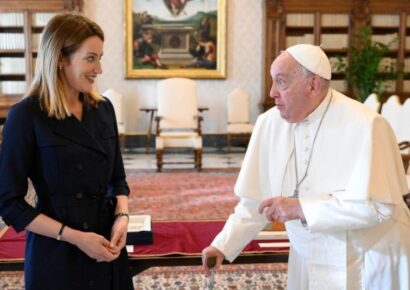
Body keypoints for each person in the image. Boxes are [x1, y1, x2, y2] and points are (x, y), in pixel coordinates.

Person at [202, 44, 410, 290]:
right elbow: (254, 201)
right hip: (308, 255)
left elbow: (379, 208)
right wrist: (222, 245)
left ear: (313, 85)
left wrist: (301, 208)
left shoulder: (367, 125)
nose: (272, 93)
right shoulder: (268, 124)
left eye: (281, 82)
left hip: (367, 258)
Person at [0, 13, 133, 290]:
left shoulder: (104, 108)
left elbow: (117, 179)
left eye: (100, 57)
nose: (99, 68)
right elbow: (9, 202)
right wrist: (75, 237)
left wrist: (121, 217)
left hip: (107, 244)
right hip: (57, 251)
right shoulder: (25, 115)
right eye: (90, 58)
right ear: (60, 59)